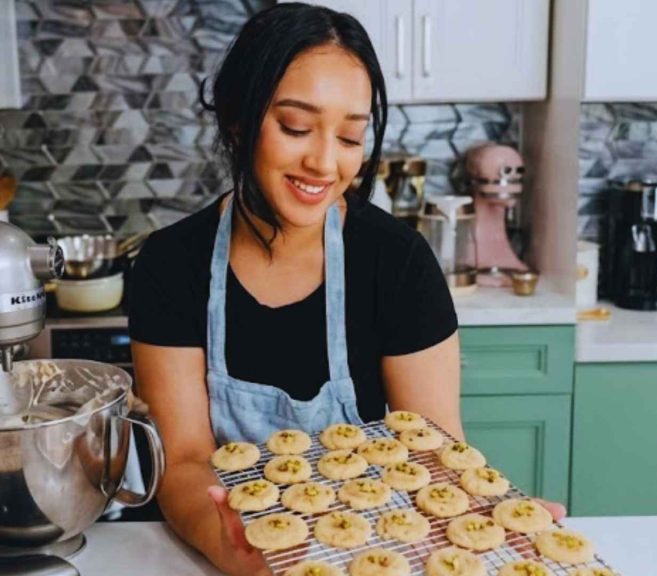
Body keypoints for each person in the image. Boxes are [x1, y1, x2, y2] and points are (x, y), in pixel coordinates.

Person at [128, 4, 563, 575]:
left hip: (376, 555)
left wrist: (493, 518)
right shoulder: (171, 264)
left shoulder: (396, 261)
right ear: (238, 118)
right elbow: (183, 460)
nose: (325, 162)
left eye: (352, 136)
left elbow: (435, 451)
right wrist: (234, 548)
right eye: (295, 127)